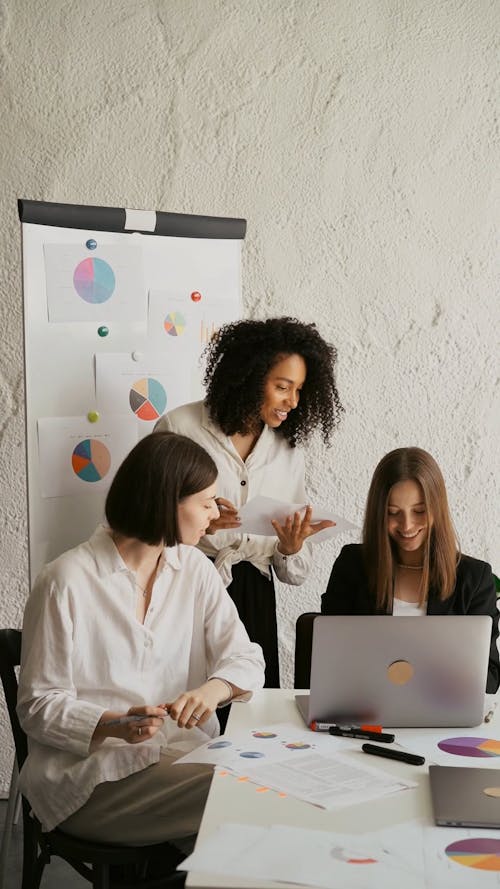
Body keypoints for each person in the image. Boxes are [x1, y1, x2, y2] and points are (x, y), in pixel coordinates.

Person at [17, 432, 265, 856]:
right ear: (168, 502)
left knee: (250, 803)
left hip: (180, 761)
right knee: (248, 793)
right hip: (90, 780)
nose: (215, 514)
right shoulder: (66, 580)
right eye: (206, 501)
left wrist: (214, 689)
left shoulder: (195, 571)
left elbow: (246, 657)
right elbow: (38, 706)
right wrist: (111, 723)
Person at [156, 316, 343, 688]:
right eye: (282, 387)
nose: (293, 401)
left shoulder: (288, 450)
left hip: (256, 596)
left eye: (300, 390)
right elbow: (148, 528)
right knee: (192, 712)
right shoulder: (180, 428)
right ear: (249, 376)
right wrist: (198, 528)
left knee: (252, 716)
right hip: (192, 588)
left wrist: (291, 547)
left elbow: (295, 572)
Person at [321, 447, 500, 692]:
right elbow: (330, 661)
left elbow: (488, 681)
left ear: (438, 507)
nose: (407, 526)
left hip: (441, 715)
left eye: (419, 511)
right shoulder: (352, 565)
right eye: (393, 513)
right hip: (366, 711)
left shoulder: (475, 577)